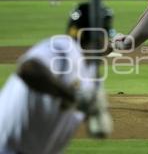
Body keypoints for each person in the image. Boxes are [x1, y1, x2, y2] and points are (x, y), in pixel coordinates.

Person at [0, 8, 113, 154]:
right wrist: (73, 97)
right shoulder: (64, 47)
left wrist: (97, 114)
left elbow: (95, 128)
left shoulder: (91, 73)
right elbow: (28, 69)